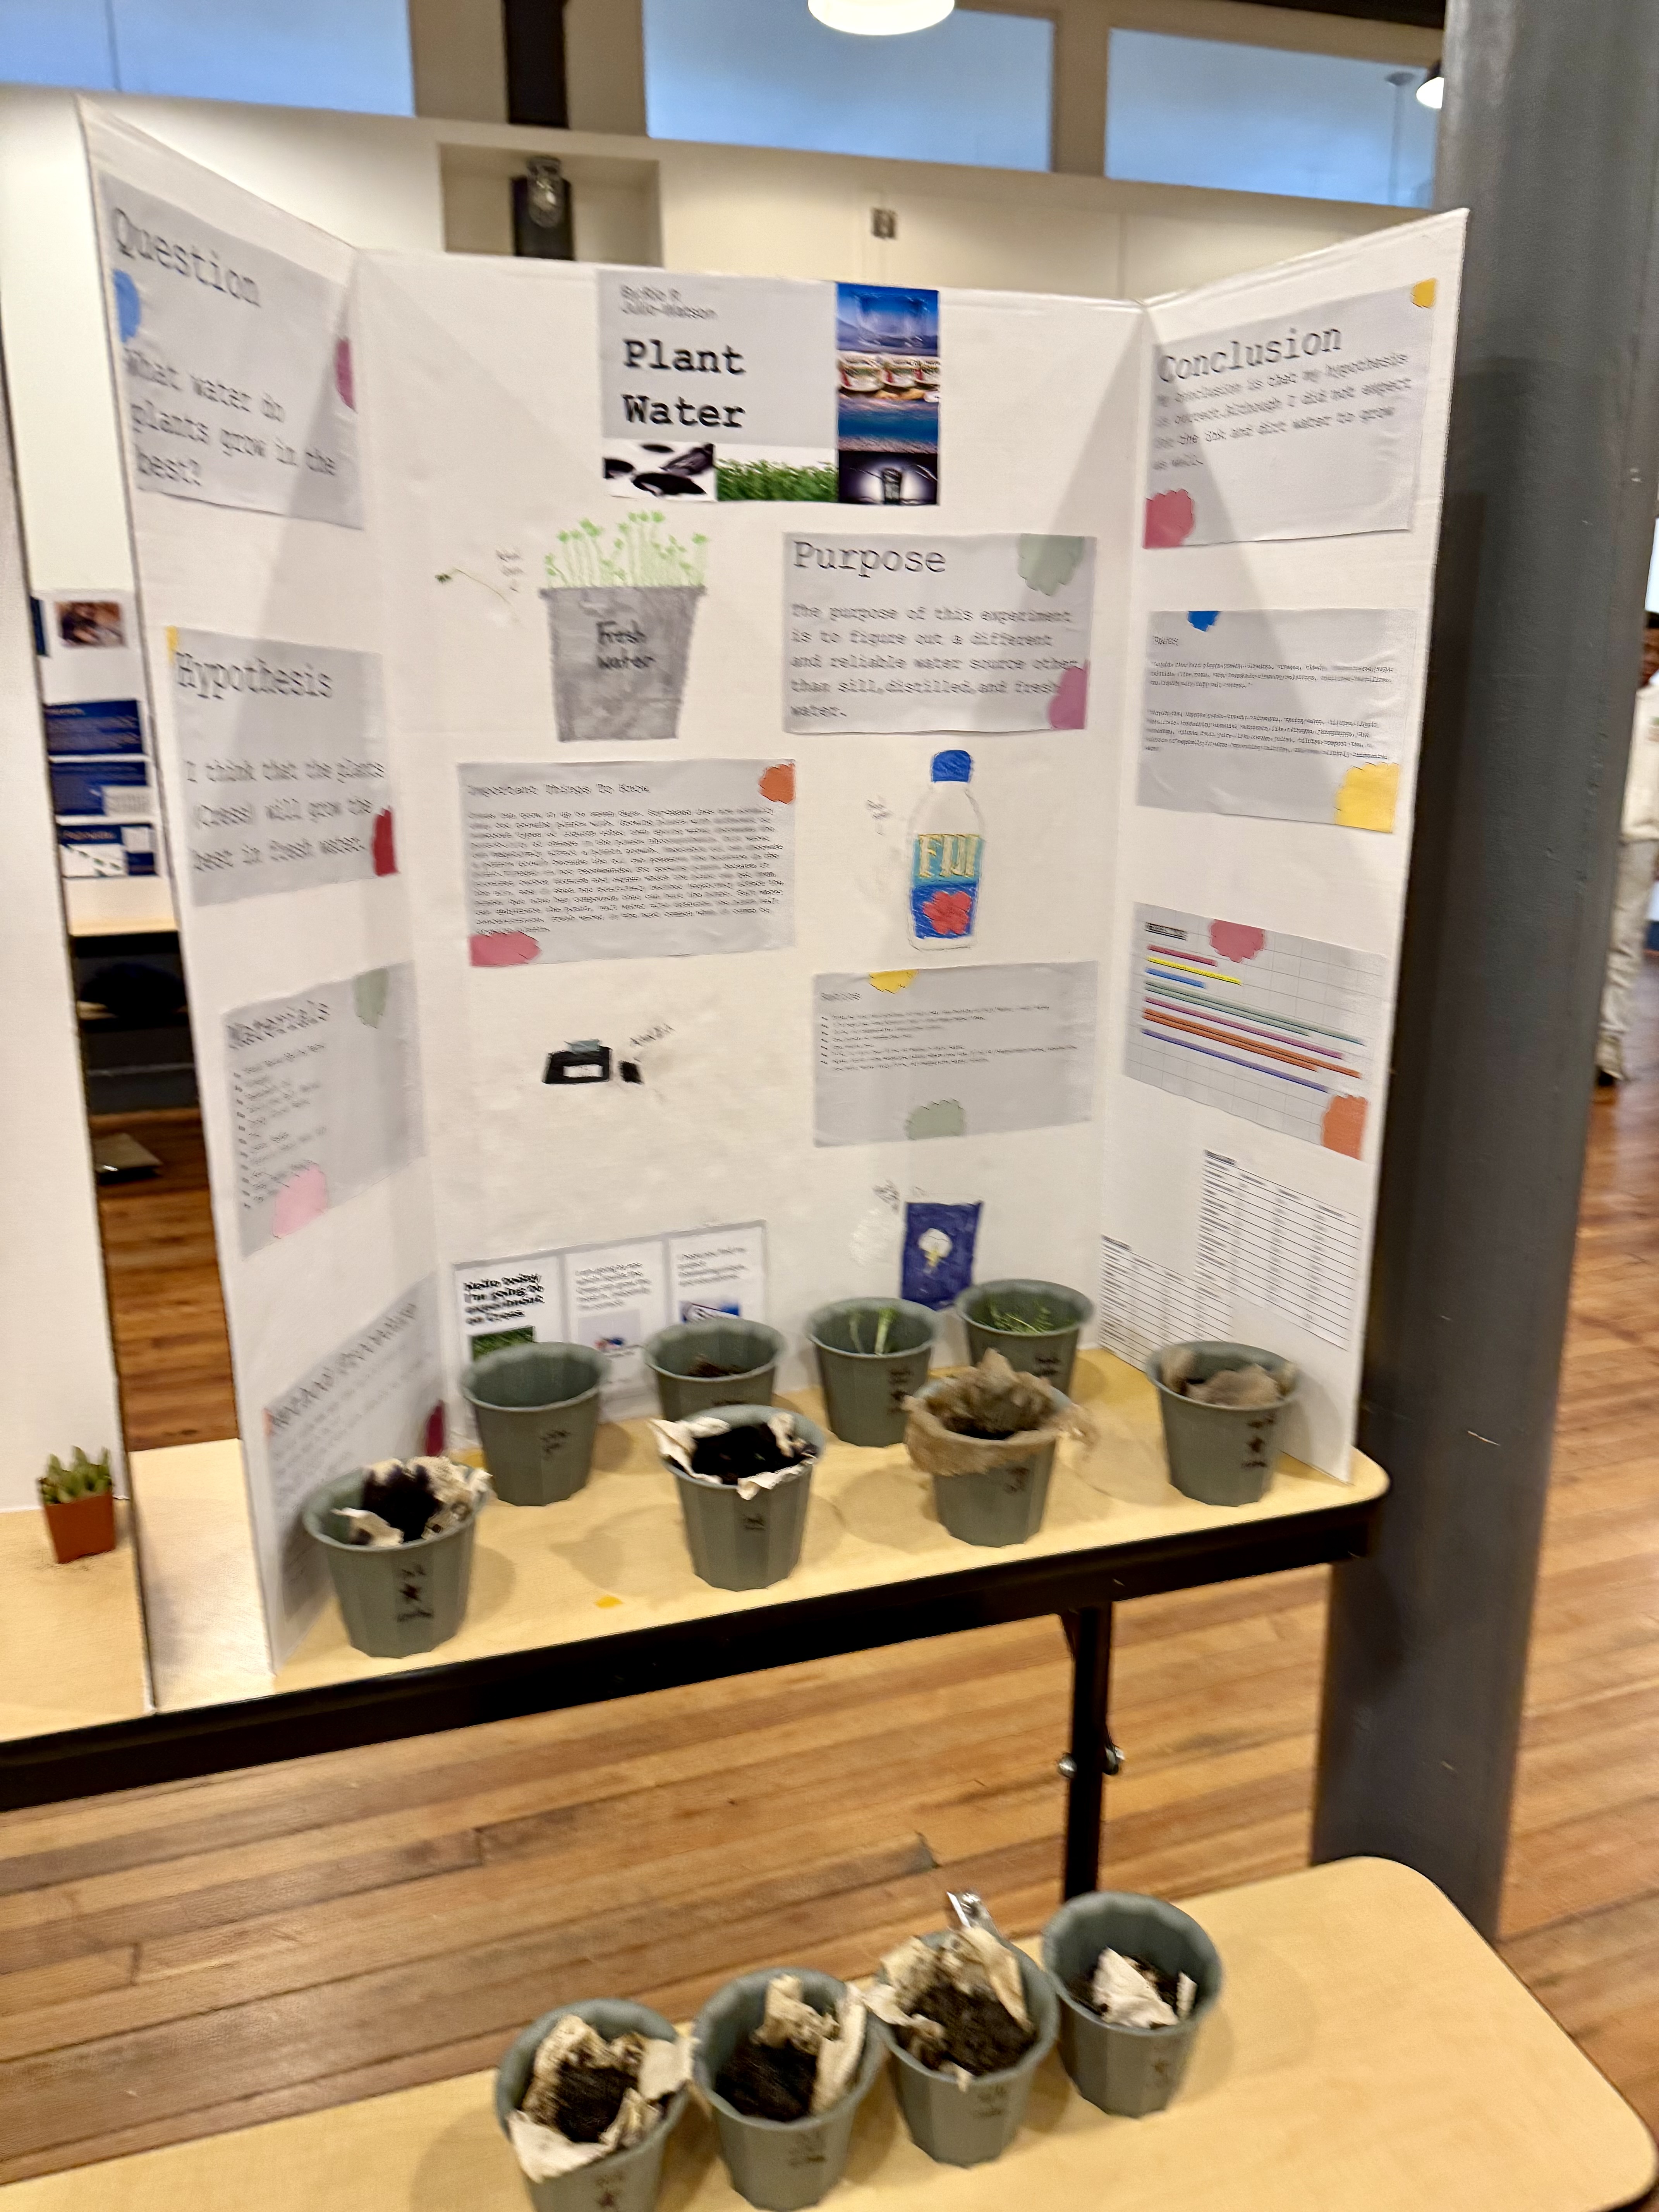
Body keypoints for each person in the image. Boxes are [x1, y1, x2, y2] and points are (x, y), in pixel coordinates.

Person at [1597, 610, 1659, 1086]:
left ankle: (1607, 1044)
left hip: (1641, 840)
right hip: (1589, 841)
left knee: (1622, 941)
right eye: (1644, 648)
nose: (1650, 659)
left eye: (1658, 653)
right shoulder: (1599, 699)